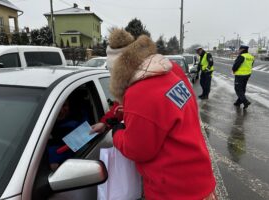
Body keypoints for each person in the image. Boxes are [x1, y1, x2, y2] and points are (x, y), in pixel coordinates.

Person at [106, 28, 217, 200]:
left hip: (172, 190)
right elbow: (163, 112)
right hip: (199, 179)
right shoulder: (172, 72)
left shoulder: (139, 92)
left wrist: (117, 132)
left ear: (119, 72)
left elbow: (138, 150)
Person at [232, 45, 254, 109]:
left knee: (238, 89)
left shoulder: (242, 56)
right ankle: (238, 102)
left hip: (240, 75)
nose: (238, 50)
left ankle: (245, 101)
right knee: (242, 88)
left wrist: (234, 70)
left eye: (239, 49)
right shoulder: (251, 57)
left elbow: (236, 65)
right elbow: (251, 65)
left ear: (242, 49)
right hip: (247, 75)